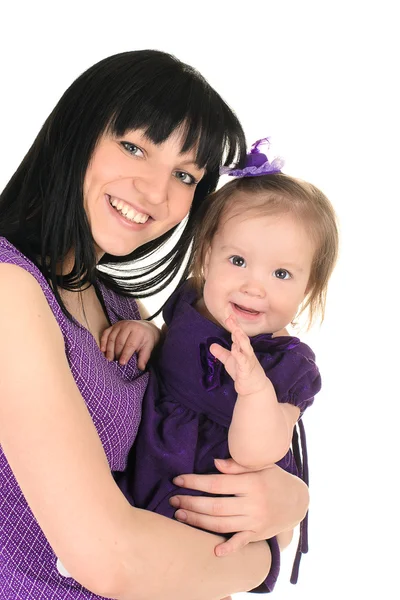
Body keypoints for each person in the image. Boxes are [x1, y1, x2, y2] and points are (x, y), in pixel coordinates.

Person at [0, 51, 309, 600]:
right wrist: (263, 558)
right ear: (75, 132)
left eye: (185, 174)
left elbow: (211, 463)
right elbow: (111, 560)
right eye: (133, 146)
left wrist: (287, 503)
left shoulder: (125, 311)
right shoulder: (9, 288)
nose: (154, 191)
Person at [101, 139, 339, 589]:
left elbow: (260, 453)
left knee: (194, 576)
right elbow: (175, 351)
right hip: (147, 470)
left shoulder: (287, 365)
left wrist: (253, 391)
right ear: (206, 254)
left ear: (308, 288)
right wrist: (151, 334)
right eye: (238, 261)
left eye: (282, 274)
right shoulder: (190, 306)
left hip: (211, 492)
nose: (255, 286)